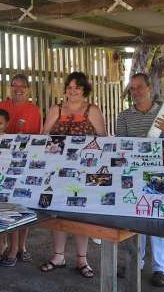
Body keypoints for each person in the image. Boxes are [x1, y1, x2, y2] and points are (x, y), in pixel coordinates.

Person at [40, 71, 106, 278]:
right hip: (57, 170)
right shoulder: (56, 109)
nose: (73, 91)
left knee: (80, 214)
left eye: (77, 87)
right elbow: (43, 135)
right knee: (57, 212)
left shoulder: (92, 110)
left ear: (85, 89)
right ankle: (58, 256)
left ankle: (82, 259)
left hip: (83, 171)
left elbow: (103, 139)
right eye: (69, 87)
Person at [116, 73, 164, 287]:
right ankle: (136, 262)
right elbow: (120, 147)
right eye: (132, 88)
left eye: (140, 87)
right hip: (132, 175)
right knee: (135, 221)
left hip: (156, 175)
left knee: (158, 221)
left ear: (150, 88)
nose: (136, 92)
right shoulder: (124, 116)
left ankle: (160, 268)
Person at [0, 109, 25, 267]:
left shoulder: (14, 140)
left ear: (7, 124)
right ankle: (0, 245)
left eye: (0, 123)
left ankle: (14, 249)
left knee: (12, 217)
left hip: (9, 184)